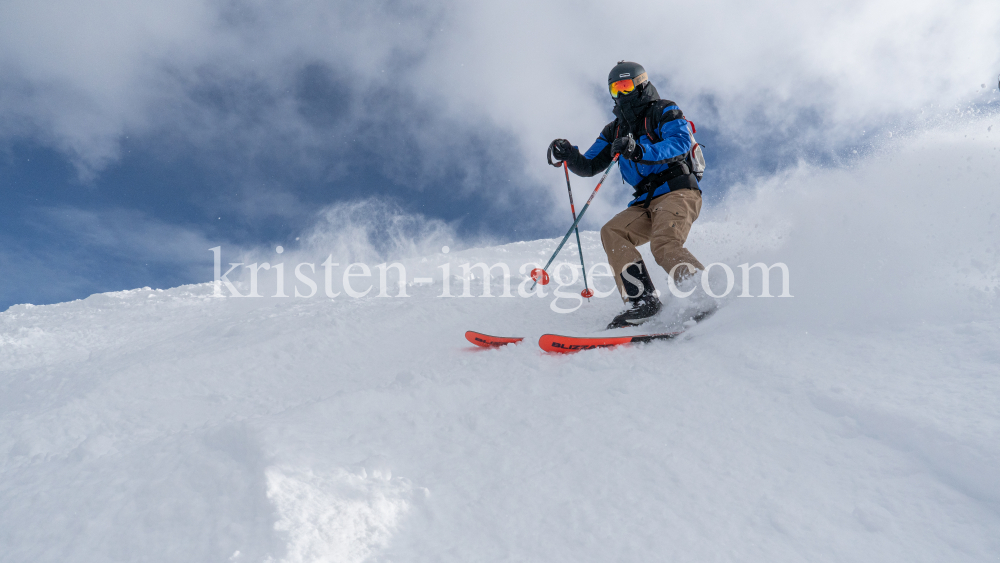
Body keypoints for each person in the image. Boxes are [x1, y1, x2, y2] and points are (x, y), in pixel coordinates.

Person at [550, 61, 706, 329]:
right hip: (644, 200)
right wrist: (570, 155)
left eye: (626, 85)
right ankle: (643, 302)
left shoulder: (663, 110)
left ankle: (701, 294)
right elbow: (590, 164)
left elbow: (679, 142)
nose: (622, 94)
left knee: (663, 243)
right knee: (613, 231)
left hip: (676, 190)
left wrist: (639, 151)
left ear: (641, 83)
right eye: (616, 88)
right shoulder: (615, 130)